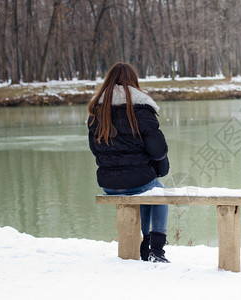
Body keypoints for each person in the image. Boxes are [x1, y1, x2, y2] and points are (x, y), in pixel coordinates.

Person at [88, 62, 170, 263]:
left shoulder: (97, 111)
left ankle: (145, 244)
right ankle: (155, 249)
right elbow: (158, 149)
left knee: (147, 189)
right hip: (138, 181)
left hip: (108, 184)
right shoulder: (141, 108)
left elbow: (94, 149)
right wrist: (160, 169)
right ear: (133, 82)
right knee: (160, 193)